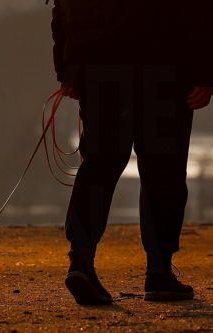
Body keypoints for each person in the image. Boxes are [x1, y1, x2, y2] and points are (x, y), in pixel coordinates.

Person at [50, 0, 212, 305]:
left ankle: (81, 260)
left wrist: (69, 69)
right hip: (166, 67)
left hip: (102, 67)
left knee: (99, 165)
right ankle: (159, 270)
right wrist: (204, 73)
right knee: (163, 169)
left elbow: (67, 8)